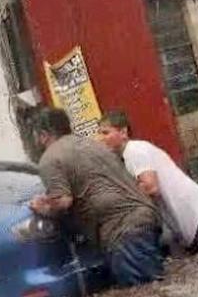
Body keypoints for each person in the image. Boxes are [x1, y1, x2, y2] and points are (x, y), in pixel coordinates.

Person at [29, 108, 165, 287]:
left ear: (43, 135)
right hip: (146, 217)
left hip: (123, 231)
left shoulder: (50, 158)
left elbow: (63, 201)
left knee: (145, 296)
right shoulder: (93, 145)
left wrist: (42, 207)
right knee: (155, 288)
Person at [98, 111, 198, 253]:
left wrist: (122, 197)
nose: (101, 139)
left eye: (105, 133)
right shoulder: (132, 153)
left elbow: (151, 187)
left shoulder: (134, 151)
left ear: (123, 132)